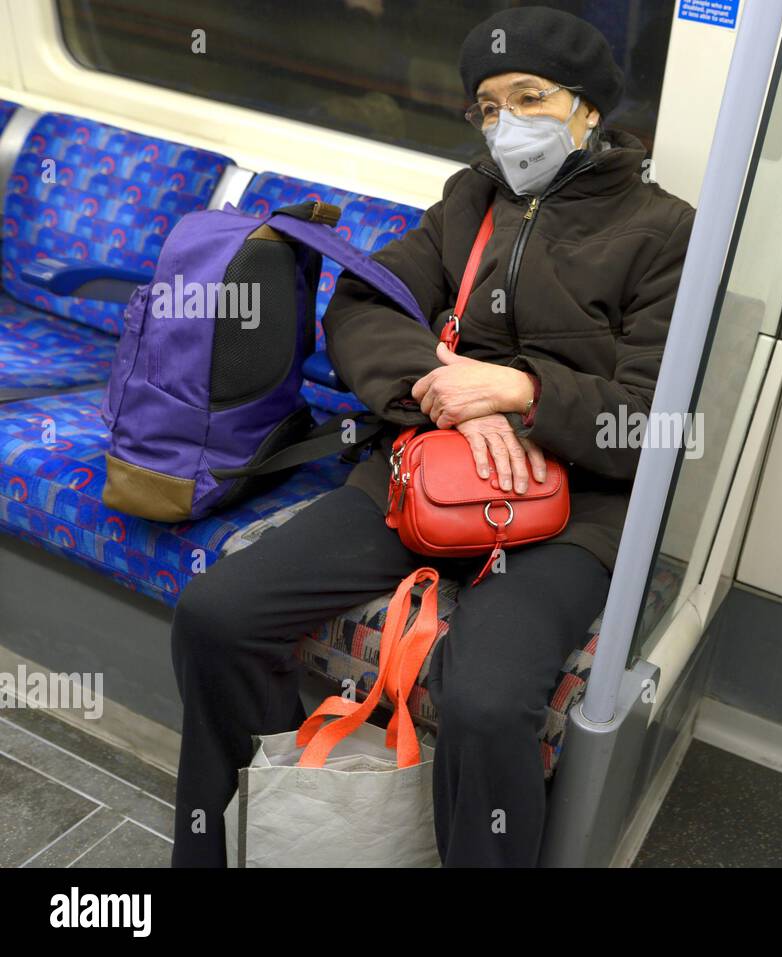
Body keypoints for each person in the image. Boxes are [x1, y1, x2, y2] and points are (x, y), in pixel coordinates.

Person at [170, 4, 694, 867]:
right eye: (489, 106)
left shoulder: (664, 234)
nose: (507, 123)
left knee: (488, 698)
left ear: (590, 109)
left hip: (571, 512)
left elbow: (648, 422)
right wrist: (455, 397)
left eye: (531, 96)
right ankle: (259, 828)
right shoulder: (469, 201)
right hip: (423, 471)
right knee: (217, 614)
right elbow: (364, 304)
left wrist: (526, 390)